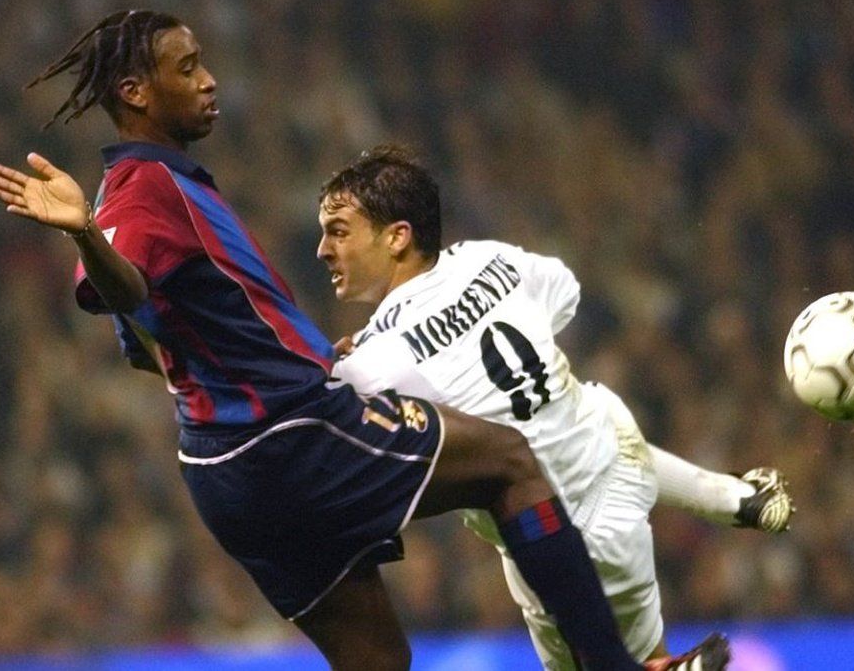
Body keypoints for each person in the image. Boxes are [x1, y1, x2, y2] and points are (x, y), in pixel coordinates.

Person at [0, 10, 727, 671]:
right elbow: (126, 286)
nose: (209, 81)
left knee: (376, 658)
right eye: (187, 68)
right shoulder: (142, 192)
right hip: (289, 431)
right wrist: (85, 238)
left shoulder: (160, 186)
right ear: (136, 92)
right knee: (509, 464)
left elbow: (144, 340)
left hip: (222, 469)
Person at [317, 145, 794, 668]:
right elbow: (563, 291)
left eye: (338, 230)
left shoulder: (374, 362)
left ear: (397, 236)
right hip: (613, 453)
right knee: (581, 409)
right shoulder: (488, 258)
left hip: (560, 540)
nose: (323, 249)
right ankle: (731, 498)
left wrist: (351, 363)